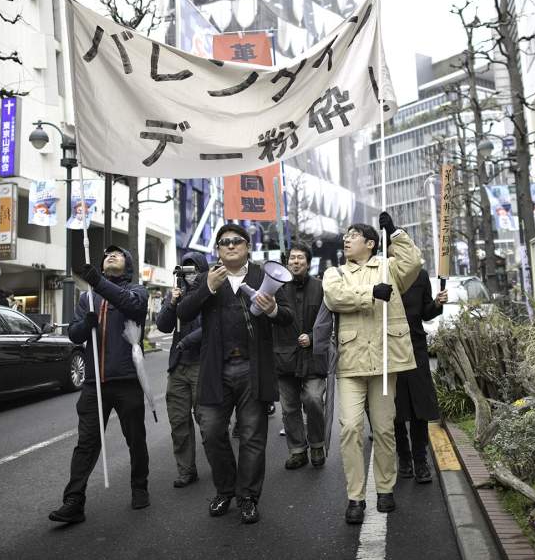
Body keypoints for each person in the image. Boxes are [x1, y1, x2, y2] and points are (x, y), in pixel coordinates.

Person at [176, 223, 293, 525]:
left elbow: (289, 316)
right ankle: (225, 489)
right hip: (216, 370)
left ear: (247, 247)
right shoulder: (206, 277)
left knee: (253, 437)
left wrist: (271, 311)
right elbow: (184, 313)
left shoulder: (262, 275)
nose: (230, 246)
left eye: (236, 241)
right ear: (217, 250)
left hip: (252, 370)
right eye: (223, 242)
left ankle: (248, 497)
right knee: (212, 433)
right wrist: (208, 288)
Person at [323, 212, 422, 524]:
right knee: (350, 427)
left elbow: (413, 263)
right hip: (350, 362)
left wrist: (395, 233)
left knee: (384, 428)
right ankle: (355, 496)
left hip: (383, 362)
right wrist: (370, 294)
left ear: (370, 243)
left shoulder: (389, 268)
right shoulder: (334, 271)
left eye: (352, 236)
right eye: (346, 237)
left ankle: (385, 488)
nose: (346, 240)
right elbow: (335, 297)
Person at [49, 245, 150, 524]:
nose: (111, 256)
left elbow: (132, 306)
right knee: (87, 443)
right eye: (106, 255)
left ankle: (139, 486)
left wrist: (98, 282)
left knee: (135, 439)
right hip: (94, 383)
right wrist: (86, 325)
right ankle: (74, 500)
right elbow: (74, 334)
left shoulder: (137, 292)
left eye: (118, 254)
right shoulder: (87, 298)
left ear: (128, 264)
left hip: (128, 380)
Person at [154, 251, 209, 488]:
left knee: (208, 422)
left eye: (193, 269)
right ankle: (186, 470)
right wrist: (172, 303)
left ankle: (222, 466)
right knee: (178, 421)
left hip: (202, 364)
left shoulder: (211, 292)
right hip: (178, 366)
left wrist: (189, 341)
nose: (189, 275)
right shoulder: (176, 293)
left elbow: (211, 326)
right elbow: (164, 325)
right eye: (185, 270)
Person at [273, 242, 329, 470]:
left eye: (300, 258)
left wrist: (313, 338)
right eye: (292, 258)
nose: (295, 262)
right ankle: (297, 450)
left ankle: (316, 444)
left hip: (313, 357)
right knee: (289, 408)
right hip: (283, 357)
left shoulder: (321, 287)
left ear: (308, 262)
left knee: (314, 399)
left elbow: (329, 321)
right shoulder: (276, 288)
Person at [394, 267, 446, 485]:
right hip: (389, 347)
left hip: (416, 346)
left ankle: (421, 460)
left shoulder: (421, 275)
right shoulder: (382, 271)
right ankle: (404, 458)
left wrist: (436, 304)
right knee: (394, 408)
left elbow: (425, 312)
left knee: (419, 406)